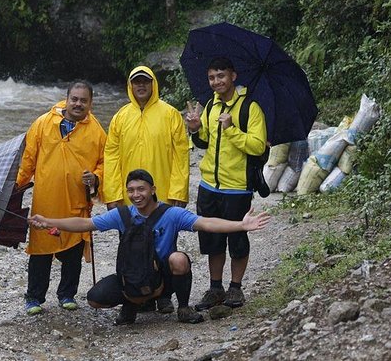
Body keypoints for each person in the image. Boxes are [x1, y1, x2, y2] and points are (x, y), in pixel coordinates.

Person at [28, 169, 270, 326]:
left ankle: (182, 308)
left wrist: (241, 224)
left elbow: (206, 222)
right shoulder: (121, 215)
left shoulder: (171, 214)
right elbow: (85, 223)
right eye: (131, 190)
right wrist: (49, 221)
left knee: (179, 259)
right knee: (94, 299)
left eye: (141, 189)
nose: (136, 195)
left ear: (152, 190)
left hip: (163, 274)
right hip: (132, 274)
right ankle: (132, 304)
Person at [103, 65, 190, 313]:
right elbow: (111, 156)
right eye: (136, 82)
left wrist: (177, 193)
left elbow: (181, 155)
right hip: (131, 197)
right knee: (131, 246)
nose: (141, 86)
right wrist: (113, 195)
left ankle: (165, 294)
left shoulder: (170, 114)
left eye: (145, 82)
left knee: (164, 247)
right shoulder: (121, 116)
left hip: (161, 196)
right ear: (130, 86)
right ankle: (138, 295)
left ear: (153, 84)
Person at [17, 80, 106, 316]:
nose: (78, 104)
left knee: (73, 251)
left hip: (76, 202)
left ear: (90, 103)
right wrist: (16, 186)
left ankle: (67, 294)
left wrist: (95, 178)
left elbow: (104, 163)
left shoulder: (96, 131)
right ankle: (34, 297)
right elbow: (28, 159)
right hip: (46, 200)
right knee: (40, 251)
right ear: (66, 99)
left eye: (83, 100)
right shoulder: (43, 123)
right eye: (74, 99)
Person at [185, 57, 267, 310]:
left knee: (237, 238)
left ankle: (236, 288)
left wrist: (231, 129)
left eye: (221, 75)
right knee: (212, 239)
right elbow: (205, 143)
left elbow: (257, 146)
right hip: (209, 184)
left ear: (233, 76)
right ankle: (215, 287)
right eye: (212, 77)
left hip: (237, 186)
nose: (216, 81)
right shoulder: (210, 106)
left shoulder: (250, 108)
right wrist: (197, 129)